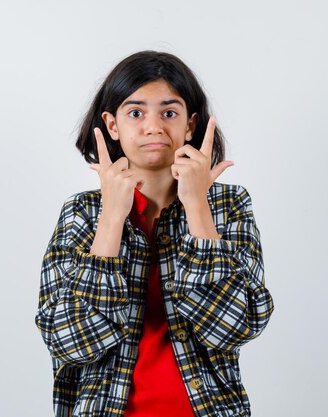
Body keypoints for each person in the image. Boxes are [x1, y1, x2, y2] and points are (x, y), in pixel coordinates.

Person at [35, 50, 275, 417]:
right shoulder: (81, 213)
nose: (153, 127)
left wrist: (197, 206)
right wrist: (112, 218)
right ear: (112, 125)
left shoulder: (228, 205)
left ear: (190, 125)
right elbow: (70, 342)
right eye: (135, 112)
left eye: (169, 113)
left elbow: (232, 328)